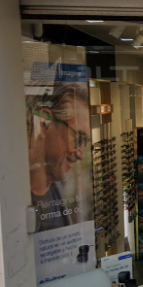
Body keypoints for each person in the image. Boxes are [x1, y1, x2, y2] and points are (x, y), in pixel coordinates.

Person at [26, 81, 91, 232]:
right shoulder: (15, 196)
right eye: (78, 138)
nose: (80, 154)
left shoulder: (57, 191)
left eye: (85, 142)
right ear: (44, 123)